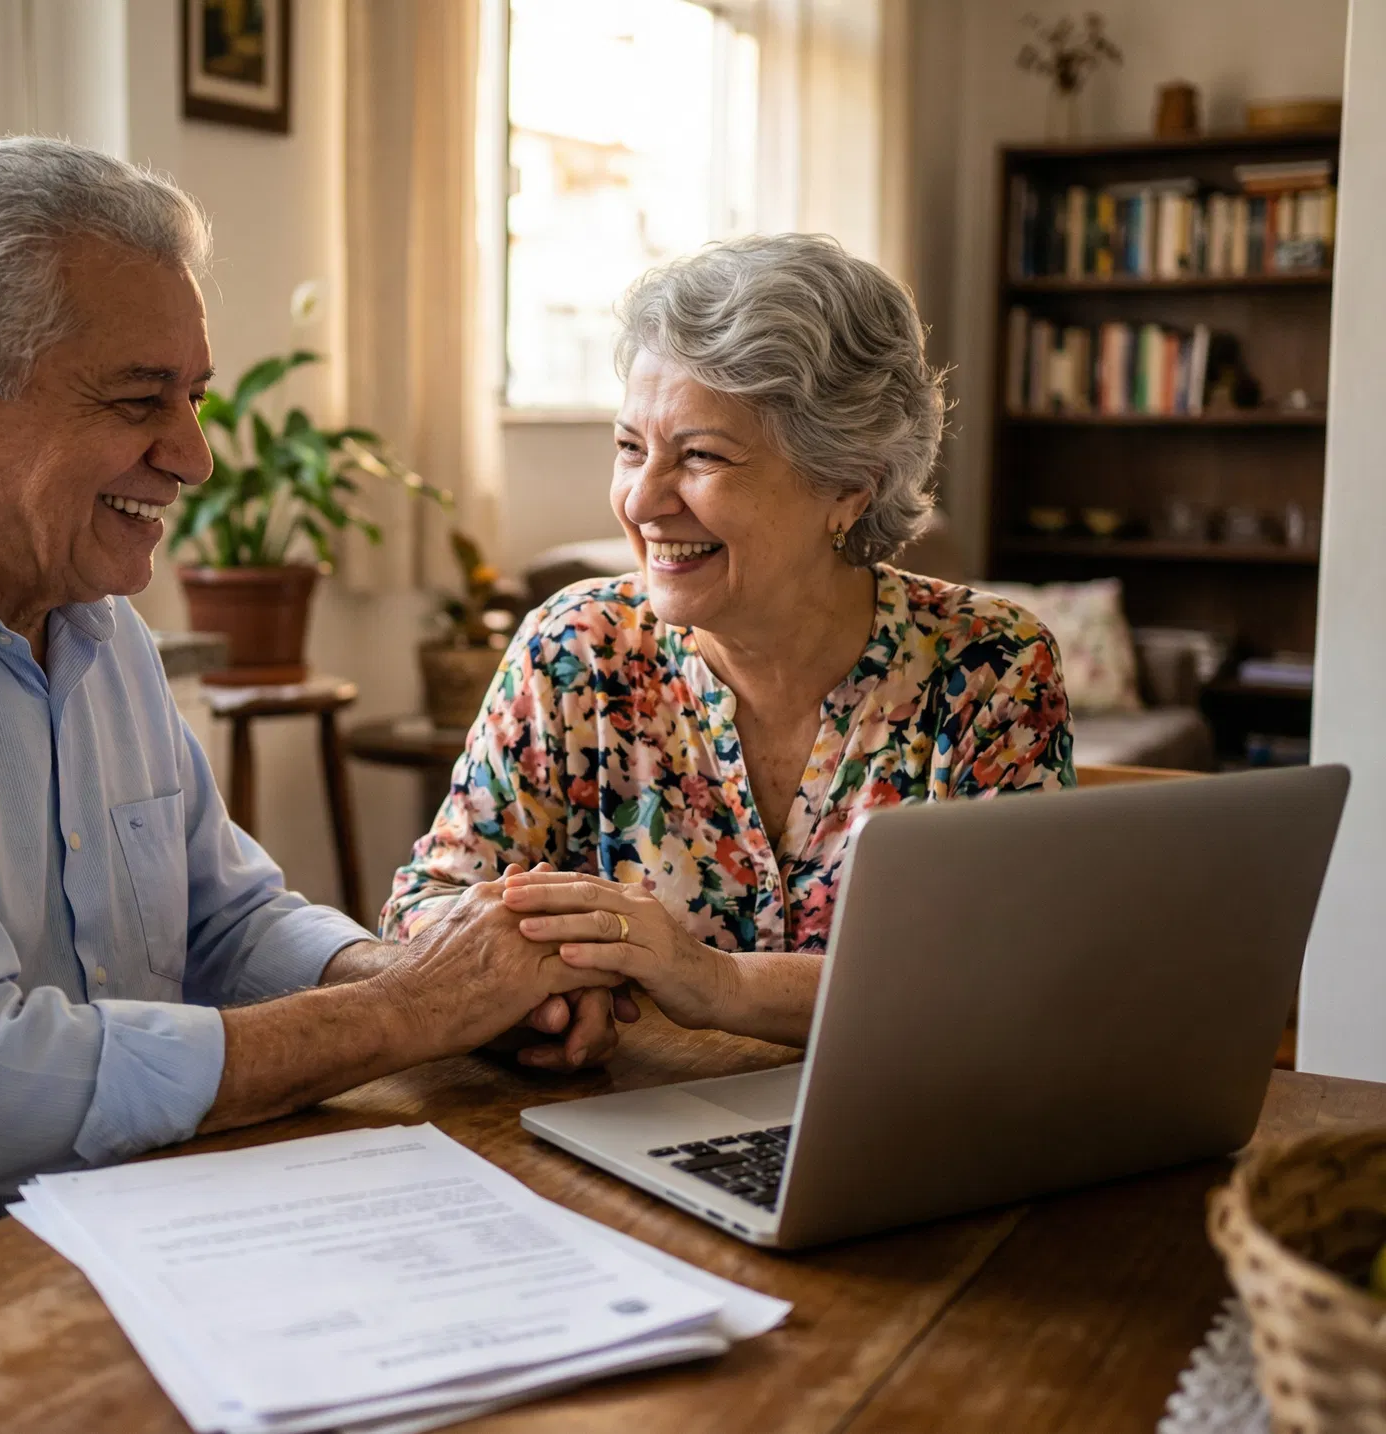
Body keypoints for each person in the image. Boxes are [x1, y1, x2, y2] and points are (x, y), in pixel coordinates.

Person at [0, 138, 622, 1393]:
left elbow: (226, 917)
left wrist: (421, 971)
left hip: (101, 1265)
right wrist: (412, 1012)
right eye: (140, 401)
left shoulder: (96, 625)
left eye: (192, 396)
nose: (193, 455)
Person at [382, 233, 1074, 1048]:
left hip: (895, 1133)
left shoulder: (988, 667)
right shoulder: (575, 649)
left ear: (849, 486)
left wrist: (711, 979)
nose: (641, 501)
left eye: (701, 456)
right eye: (630, 448)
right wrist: (547, 998)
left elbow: (1000, 979)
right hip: (628, 1125)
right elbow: (425, 909)